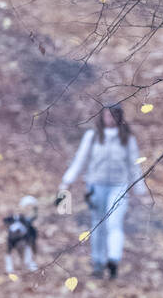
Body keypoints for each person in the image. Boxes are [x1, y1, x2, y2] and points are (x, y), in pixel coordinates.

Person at [56, 103, 147, 278]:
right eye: (107, 115)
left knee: (114, 223)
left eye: (113, 116)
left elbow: (134, 166)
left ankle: (113, 259)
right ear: (102, 117)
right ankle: (98, 262)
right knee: (97, 224)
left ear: (119, 118)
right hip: (95, 186)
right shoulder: (92, 136)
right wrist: (67, 181)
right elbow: (80, 160)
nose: (109, 119)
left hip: (119, 186)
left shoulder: (127, 139)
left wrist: (141, 190)